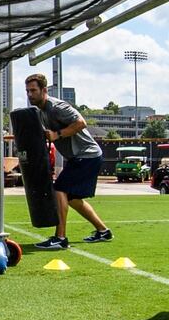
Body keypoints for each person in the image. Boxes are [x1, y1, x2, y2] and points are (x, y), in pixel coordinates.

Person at [25, 73, 111, 250]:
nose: (30, 94)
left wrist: (58, 134)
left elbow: (81, 122)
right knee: (72, 198)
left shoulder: (56, 107)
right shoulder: (41, 112)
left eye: (33, 90)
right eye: (27, 91)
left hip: (87, 154)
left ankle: (60, 238)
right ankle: (103, 231)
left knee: (60, 190)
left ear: (44, 90)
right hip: (79, 157)